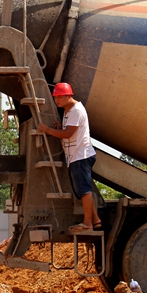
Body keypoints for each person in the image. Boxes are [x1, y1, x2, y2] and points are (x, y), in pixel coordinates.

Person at [38, 82, 101, 231]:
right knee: (83, 190)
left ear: (68, 95)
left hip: (80, 156)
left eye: (60, 97)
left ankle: (87, 224)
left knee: (84, 191)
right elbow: (69, 132)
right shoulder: (68, 111)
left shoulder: (76, 111)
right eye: (55, 98)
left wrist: (47, 130)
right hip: (76, 156)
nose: (57, 100)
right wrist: (60, 128)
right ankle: (96, 220)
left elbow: (68, 134)